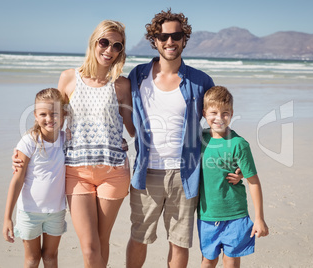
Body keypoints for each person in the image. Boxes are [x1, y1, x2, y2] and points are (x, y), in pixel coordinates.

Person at [125, 9, 242, 268]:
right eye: (163, 36)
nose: (170, 42)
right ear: (154, 40)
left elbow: (219, 119)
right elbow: (113, 104)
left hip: (186, 175)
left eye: (176, 35)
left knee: (179, 242)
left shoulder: (201, 81)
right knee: (138, 238)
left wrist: (237, 158)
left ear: (184, 39)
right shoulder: (137, 76)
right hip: (146, 173)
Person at [13, 20, 135, 268]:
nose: (109, 50)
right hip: (76, 172)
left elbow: (133, 129)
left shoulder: (121, 85)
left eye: (116, 46)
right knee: (90, 248)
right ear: (94, 42)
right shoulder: (69, 78)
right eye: (104, 42)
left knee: (102, 240)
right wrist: (25, 146)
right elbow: (51, 118)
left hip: (114, 172)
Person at [198, 86, 269, 268]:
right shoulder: (197, 140)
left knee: (231, 260)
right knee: (208, 260)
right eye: (213, 112)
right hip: (207, 215)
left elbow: (253, 182)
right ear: (204, 113)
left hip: (235, 214)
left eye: (225, 113)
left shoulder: (239, 144)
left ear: (232, 113)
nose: (219, 118)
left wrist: (259, 218)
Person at [3, 88, 67, 268]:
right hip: (29, 212)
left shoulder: (65, 139)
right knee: (32, 259)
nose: (49, 118)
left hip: (56, 212)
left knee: (50, 257)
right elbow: (17, 179)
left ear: (63, 114)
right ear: (35, 115)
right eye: (43, 114)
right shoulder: (29, 141)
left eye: (54, 113)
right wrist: (7, 217)